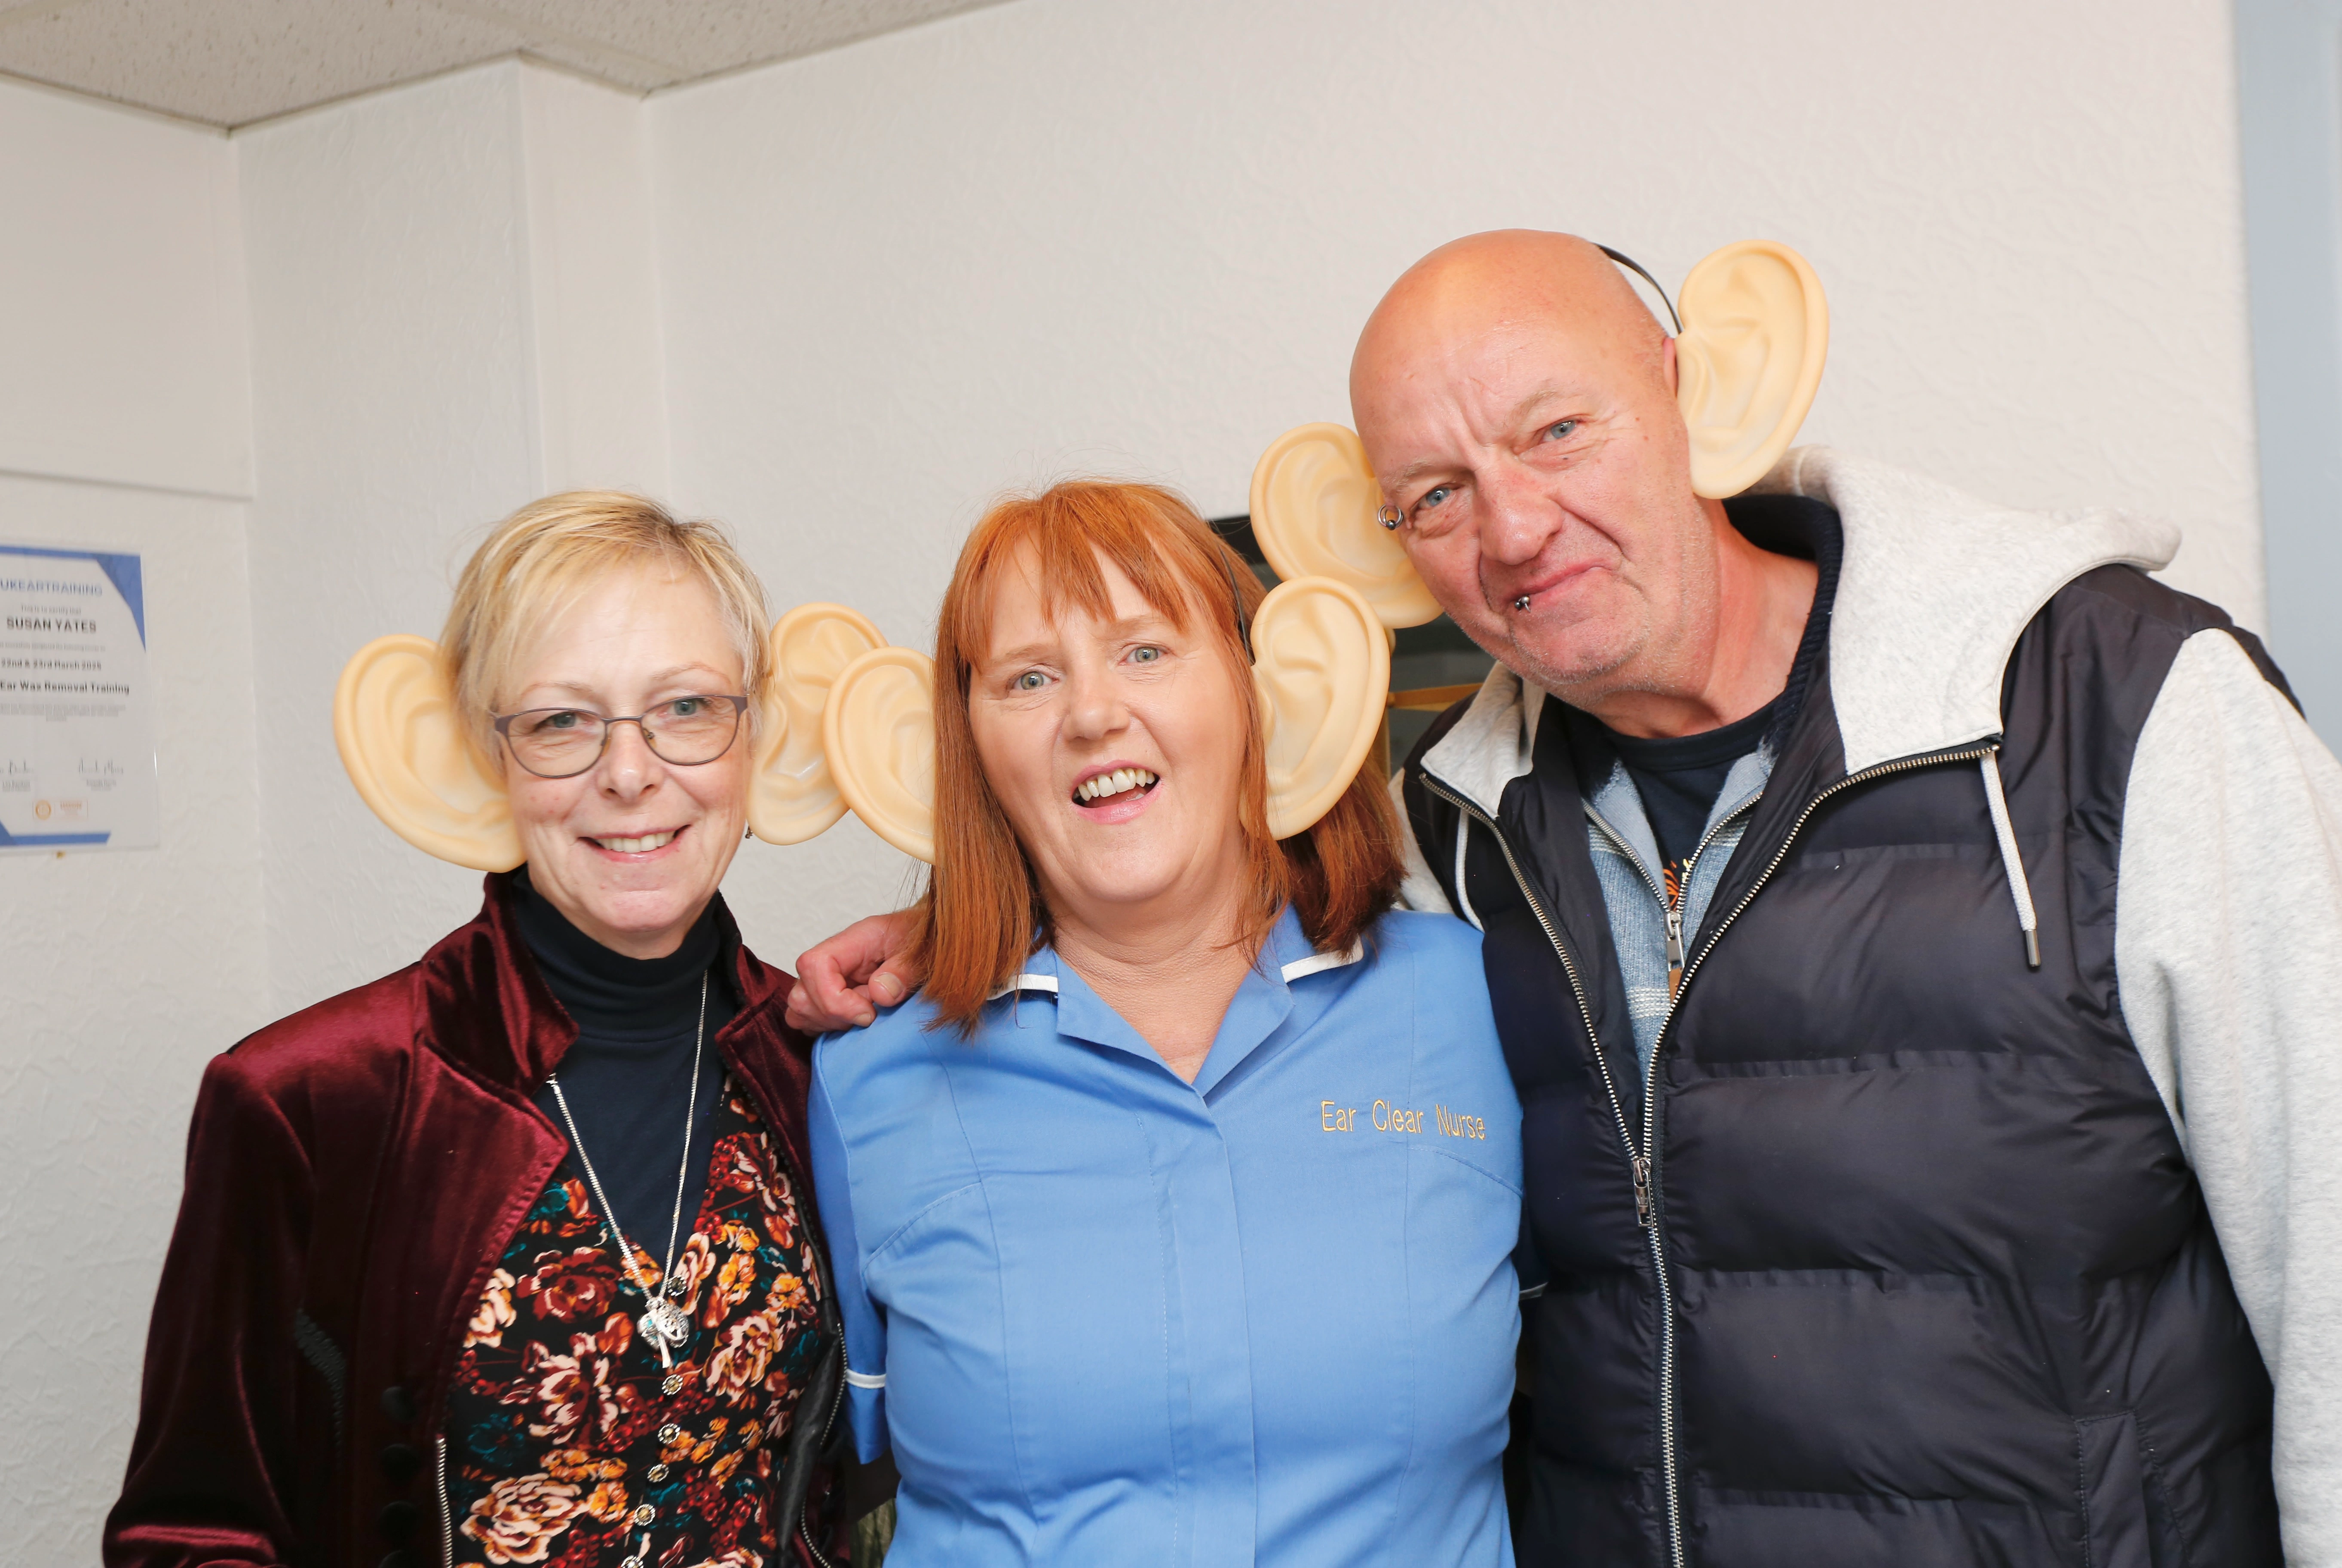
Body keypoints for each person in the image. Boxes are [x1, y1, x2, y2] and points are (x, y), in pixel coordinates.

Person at [792, 232, 2342, 1565]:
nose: (1516, 526)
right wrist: (961, 936)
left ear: (1694, 389)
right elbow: (1172, 885)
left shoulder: (2117, 709)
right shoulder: (1463, 837)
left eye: (1557, 429)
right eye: (1439, 492)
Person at [109, 494, 852, 1568]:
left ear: (754, 735)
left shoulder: (826, 1058)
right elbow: (192, 1533)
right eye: (561, 722)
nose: (631, 773)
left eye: (687, 707)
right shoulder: (314, 1099)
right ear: (482, 754)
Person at [806, 481, 1523, 1565]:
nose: (1092, 714)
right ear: (973, 752)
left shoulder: (1478, 1005)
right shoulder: (868, 1076)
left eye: (1146, 651)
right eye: (1029, 678)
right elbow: (822, 1480)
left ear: (1256, 692)